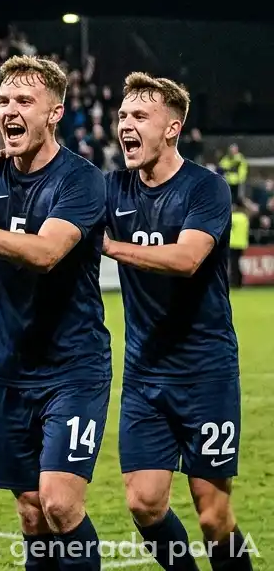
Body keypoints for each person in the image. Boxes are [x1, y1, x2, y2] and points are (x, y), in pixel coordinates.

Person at [0, 56, 111, 571]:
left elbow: (44, 253)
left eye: (24, 102)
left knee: (60, 502)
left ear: (55, 113)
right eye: (4, 101)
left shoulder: (81, 181)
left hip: (74, 369)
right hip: (11, 369)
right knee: (31, 511)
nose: (9, 112)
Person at [103, 74, 252, 571]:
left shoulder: (206, 188)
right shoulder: (112, 188)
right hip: (145, 374)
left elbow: (188, 259)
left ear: (172, 128)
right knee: (144, 503)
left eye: (139, 116)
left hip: (205, 373)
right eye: (122, 115)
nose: (125, 123)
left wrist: (109, 247)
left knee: (212, 516)